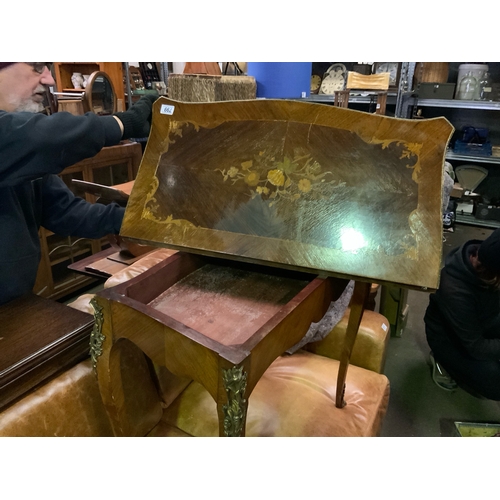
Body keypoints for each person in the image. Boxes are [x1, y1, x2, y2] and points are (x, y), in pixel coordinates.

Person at [0, 62, 157, 305]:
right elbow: (41, 138)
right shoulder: (17, 140)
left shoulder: (20, 156)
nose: (49, 80)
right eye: (36, 67)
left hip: (16, 307)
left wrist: (132, 219)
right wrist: (121, 123)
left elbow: (63, 210)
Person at [424, 228, 500, 400]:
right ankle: (443, 362)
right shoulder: (454, 290)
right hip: (450, 339)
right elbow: (477, 347)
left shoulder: (489, 255)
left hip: (485, 315)